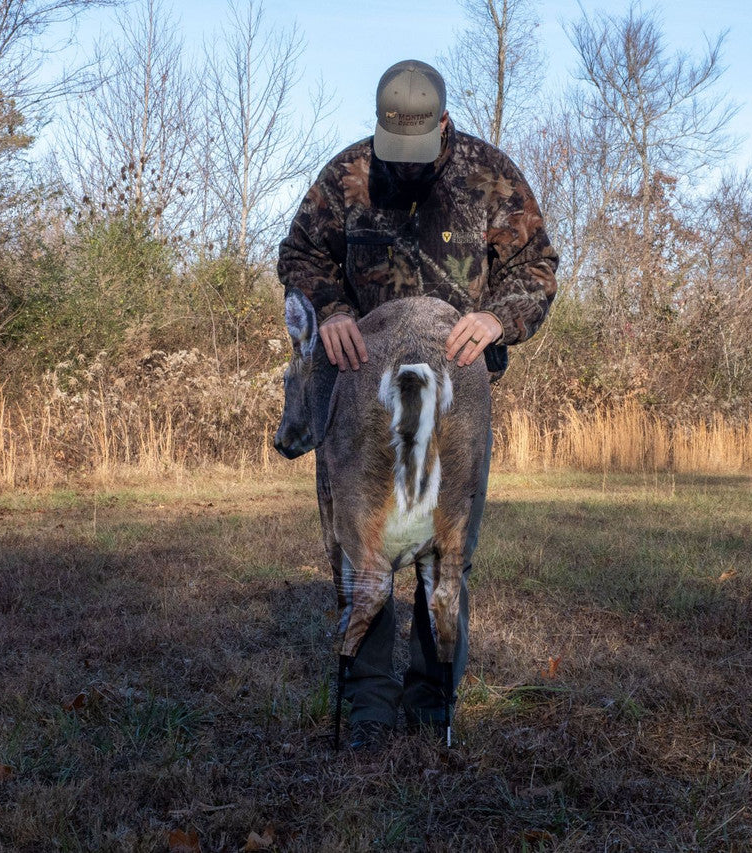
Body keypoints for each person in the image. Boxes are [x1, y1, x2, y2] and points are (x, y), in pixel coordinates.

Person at [277, 59, 558, 751]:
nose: (403, 165)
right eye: (392, 148)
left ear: (443, 123)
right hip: (355, 392)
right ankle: (368, 709)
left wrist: (499, 319)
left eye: (419, 149)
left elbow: (538, 268)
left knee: (447, 555)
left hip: (457, 399)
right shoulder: (346, 176)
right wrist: (334, 307)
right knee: (358, 552)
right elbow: (298, 255)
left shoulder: (493, 178)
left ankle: (433, 705)